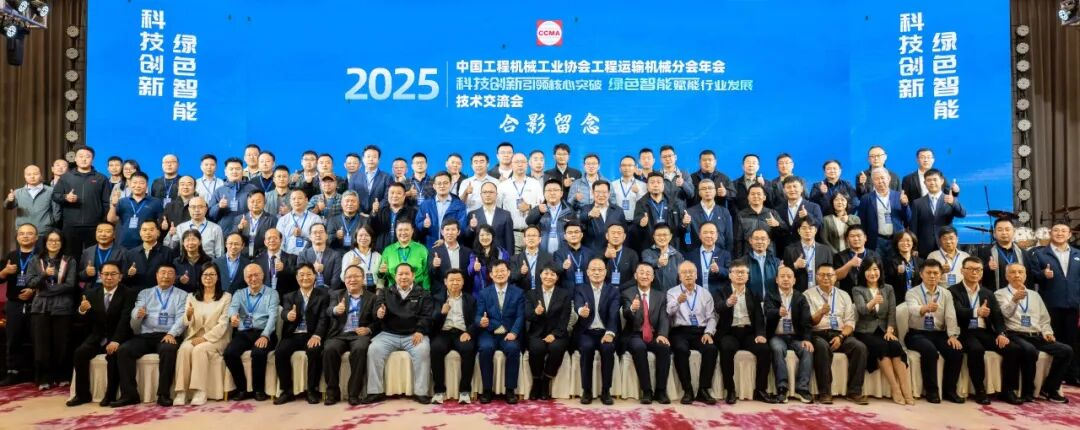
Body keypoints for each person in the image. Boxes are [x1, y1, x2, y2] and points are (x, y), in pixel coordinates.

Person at [994, 263, 1073, 403]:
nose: (1017, 275)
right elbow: (1004, 315)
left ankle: (1050, 388)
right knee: (1029, 350)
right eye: (1013, 272)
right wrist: (1014, 300)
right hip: (1014, 333)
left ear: (1025, 276)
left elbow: (1044, 318)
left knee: (1066, 350)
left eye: (1020, 272)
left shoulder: (1035, 295)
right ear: (1006, 276)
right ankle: (1027, 391)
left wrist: (1047, 332)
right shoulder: (1000, 294)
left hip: (1036, 334)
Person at [113, 264, 187, 407]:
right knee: (124, 350)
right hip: (146, 334)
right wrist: (138, 314)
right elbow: (135, 311)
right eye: (163, 272)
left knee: (168, 350)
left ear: (175, 277)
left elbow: (182, 318)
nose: (166, 276)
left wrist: (171, 333)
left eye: (170, 273)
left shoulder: (182, 295)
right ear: (156, 275)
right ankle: (129, 395)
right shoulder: (145, 293)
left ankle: (163, 394)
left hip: (168, 334)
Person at [363, 263, 434, 405]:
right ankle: (375, 391)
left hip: (414, 334)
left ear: (413, 276)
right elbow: (377, 311)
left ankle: (421, 392)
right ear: (395, 276)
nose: (403, 277)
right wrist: (379, 313)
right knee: (374, 349)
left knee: (423, 350)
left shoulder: (424, 293)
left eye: (407, 273)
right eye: (400, 274)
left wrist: (420, 330)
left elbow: (427, 315)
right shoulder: (385, 292)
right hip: (389, 334)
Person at [68, 262, 135, 407]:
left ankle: (110, 395)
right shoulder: (91, 293)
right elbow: (80, 320)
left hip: (119, 337)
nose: (109, 277)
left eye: (113, 274)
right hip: (98, 336)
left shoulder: (128, 293)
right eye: (106, 274)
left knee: (113, 355)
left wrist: (116, 340)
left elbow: (125, 319)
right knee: (80, 353)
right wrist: (82, 309)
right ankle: (82, 395)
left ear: (120, 276)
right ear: (100, 276)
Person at [948, 256, 1013, 405]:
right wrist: (976, 312)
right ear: (962, 271)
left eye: (978, 269)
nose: (974, 272)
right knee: (976, 349)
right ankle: (980, 390)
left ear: (982, 272)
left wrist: (1001, 333)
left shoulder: (988, 293)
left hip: (984, 331)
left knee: (1012, 348)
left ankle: (1007, 391)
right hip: (964, 332)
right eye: (970, 269)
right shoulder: (952, 291)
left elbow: (997, 316)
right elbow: (957, 311)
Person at [851, 257, 913, 405]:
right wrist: (873, 302)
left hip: (885, 330)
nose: (872, 273)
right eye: (868, 270)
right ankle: (895, 389)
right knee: (882, 347)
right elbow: (861, 310)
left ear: (880, 271)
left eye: (875, 269)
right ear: (863, 272)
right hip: (865, 331)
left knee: (896, 346)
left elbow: (892, 312)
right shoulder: (857, 289)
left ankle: (906, 389)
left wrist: (890, 330)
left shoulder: (888, 288)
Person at [805, 264, 869, 405]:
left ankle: (854, 392)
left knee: (860, 347)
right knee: (821, 347)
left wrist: (841, 337)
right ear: (816, 277)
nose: (826, 278)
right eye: (822, 275)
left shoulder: (844, 295)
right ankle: (825, 392)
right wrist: (820, 313)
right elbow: (808, 322)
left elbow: (850, 322)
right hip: (818, 333)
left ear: (835, 277)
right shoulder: (808, 295)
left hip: (840, 334)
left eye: (829, 275)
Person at [716, 259, 777, 404]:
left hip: (749, 332)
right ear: (730, 275)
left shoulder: (753, 293)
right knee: (726, 349)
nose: (740, 275)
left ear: (748, 276)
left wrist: (760, 334)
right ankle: (730, 390)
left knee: (764, 350)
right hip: (729, 332)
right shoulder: (721, 291)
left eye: (743, 272)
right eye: (737, 272)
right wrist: (727, 303)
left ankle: (760, 390)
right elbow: (717, 308)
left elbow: (759, 317)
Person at [903, 259, 964, 403]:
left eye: (935, 273)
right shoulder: (912, 292)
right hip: (917, 333)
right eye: (928, 273)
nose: (932, 276)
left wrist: (952, 336)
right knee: (929, 350)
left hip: (938, 333)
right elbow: (912, 309)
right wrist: (925, 308)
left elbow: (950, 316)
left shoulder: (946, 294)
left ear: (941, 275)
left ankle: (950, 390)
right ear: (921, 274)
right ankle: (931, 391)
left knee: (956, 350)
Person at [1027, 223, 1080, 385]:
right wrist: (1042, 274)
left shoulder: (1077, 253)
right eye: (1056, 230)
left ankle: (1072, 375)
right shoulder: (1039, 254)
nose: (1060, 233)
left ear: (1069, 235)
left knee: (1073, 340)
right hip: (1050, 304)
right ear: (1050, 233)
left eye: (1064, 231)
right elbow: (1030, 277)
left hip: (1073, 305)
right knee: (1052, 340)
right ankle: (1052, 376)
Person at [173, 263, 232, 406]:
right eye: (205, 274)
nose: (208, 278)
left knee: (199, 349)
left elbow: (223, 324)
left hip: (216, 338)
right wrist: (188, 315)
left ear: (218, 277)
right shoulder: (191, 297)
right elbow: (186, 322)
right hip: (194, 336)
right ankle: (181, 391)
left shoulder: (226, 297)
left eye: (212, 274)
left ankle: (200, 391)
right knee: (184, 349)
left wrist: (205, 338)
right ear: (200, 277)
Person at [26, 230, 78, 389]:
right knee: (41, 345)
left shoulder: (69, 260)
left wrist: (45, 291)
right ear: (45, 242)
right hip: (40, 308)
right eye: (50, 240)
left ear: (62, 243)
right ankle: (44, 379)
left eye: (57, 241)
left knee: (62, 344)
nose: (54, 243)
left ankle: (62, 376)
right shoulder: (35, 260)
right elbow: (30, 282)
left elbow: (70, 285)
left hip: (63, 307)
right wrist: (43, 275)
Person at [273, 264, 330, 405]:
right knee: (280, 352)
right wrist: (288, 315)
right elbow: (284, 312)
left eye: (309, 274)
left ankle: (312, 390)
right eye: (302, 275)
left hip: (312, 334)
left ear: (315, 276)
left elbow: (324, 318)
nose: (305, 278)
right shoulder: (289, 296)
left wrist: (317, 335)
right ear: (297, 278)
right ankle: (286, 391)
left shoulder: (323, 296)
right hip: (293, 334)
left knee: (314, 351)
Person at [223, 263, 281, 402]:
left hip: (264, 331)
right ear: (245, 278)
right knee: (229, 353)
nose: (253, 279)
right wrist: (233, 316)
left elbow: (273, 317)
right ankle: (242, 389)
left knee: (258, 353)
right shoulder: (239, 293)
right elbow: (233, 308)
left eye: (256, 275)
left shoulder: (272, 293)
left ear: (262, 276)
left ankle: (258, 390)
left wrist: (265, 336)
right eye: (249, 276)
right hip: (244, 333)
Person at [322, 265, 377, 406]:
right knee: (329, 349)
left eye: (356, 276)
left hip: (359, 335)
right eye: (349, 277)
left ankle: (354, 393)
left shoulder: (372, 297)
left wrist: (368, 329)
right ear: (344, 280)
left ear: (363, 279)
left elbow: (377, 321)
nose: (352, 280)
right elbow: (328, 310)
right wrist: (335, 309)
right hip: (339, 334)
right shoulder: (336, 294)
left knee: (360, 349)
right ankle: (332, 392)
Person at [666, 260, 718, 405]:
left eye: (691, 272)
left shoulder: (705, 293)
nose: (688, 275)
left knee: (711, 349)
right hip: (680, 331)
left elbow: (712, 317)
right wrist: (678, 301)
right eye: (684, 272)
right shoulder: (672, 292)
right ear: (679, 276)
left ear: (696, 275)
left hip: (700, 331)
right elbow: (668, 312)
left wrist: (708, 333)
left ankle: (703, 390)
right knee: (681, 349)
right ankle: (687, 390)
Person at [475, 260, 525, 404]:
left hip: (508, 333)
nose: (500, 274)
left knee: (513, 349)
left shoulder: (518, 292)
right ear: (491, 275)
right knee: (485, 348)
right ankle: (487, 390)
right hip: (489, 332)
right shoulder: (484, 293)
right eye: (496, 271)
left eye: (503, 271)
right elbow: (478, 315)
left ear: (508, 273)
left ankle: (510, 390)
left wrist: (514, 332)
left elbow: (520, 316)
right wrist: (481, 321)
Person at [622, 262, 671, 404]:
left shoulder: (660, 296)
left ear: (653, 277)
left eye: (648, 273)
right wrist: (632, 309)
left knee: (664, 348)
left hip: (654, 334)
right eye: (641, 273)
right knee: (639, 347)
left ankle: (661, 391)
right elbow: (626, 313)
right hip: (635, 333)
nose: (645, 276)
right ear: (635, 276)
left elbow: (664, 317)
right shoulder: (627, 293)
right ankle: (647, 391)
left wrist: (662, 334)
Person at [573, 258, 621, 405]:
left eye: (600, 270)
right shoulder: (580, 289)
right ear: (587, 272)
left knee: (608, 349)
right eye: (593, 269)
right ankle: (586, 390)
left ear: (605, 272)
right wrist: (581, 311)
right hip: (586, 332)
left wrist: (610, 333)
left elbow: (613, 314)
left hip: (605, 332)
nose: (596, 272)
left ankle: (606, 391)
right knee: (587, 348)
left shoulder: (613, 291)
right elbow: (578, 304)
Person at [765, 266, 814, 404]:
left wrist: (807, 339)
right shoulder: (771, 295)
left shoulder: (800, 297)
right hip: (777, 336)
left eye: (789, 276)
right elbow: (767, 313)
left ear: (794, 280)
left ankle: (802, 389)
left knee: (807, 349)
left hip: (796, 337)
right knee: (777, 349)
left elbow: (806, 321)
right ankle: (782, 388)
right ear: (776, 280)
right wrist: (777, 312)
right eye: (782, 276)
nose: (786, 279)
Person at [52, 145, 110, 257]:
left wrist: (102, 221)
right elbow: (55, 195)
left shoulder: (101, 178)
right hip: (70, 225)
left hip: (94, 225)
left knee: (92, 257)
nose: (84, 159)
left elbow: (106, 202)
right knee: (71, 257)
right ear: (75, 158)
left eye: (87, 157)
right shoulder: (66, 177)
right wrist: (65, 197)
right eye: (81, 156)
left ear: (92, 159)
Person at [430, 269, 478, 404]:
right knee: (436, 348)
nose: (455, 283)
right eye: (452, 280)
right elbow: (431, 322)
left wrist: (469, 332)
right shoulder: (437, 298)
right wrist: (441, 313)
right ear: (445, 282)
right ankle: (439, 391)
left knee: (469, 349)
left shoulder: (470, 299)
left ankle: (465, 391)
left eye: (458, 280)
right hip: (443, 332)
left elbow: (476, 320)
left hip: (462, 332)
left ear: (463, 282)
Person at [525, 265, 571, 401]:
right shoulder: (531, 294)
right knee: (536, 348)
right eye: (546, 273)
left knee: (556, 348)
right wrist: (536, 312)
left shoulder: (564, 294)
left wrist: (554, 334)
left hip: (557, 333)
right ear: (540, 276)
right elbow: (527, 315)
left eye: (552, 274)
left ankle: (546, 380)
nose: (549, 277)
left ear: (557, 278)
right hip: (537, 333)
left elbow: (565, 317)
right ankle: (536, 382)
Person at [0, 224, 38, 386]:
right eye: (22, 233)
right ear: (17, 237)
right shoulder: (11, 256)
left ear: (36, 237)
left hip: (37, 303)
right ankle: (12, 372)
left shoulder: (41, 256)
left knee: (37, 339)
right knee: (13, 339)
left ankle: (38, 372)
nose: (25, 236)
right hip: (14, 304)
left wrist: (33, 290)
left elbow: (50, 280)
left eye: (29, 233)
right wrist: (5, 272)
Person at [856, 167, 910, 257]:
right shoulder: (866, 198)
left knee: (895, 265)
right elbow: (862, 222)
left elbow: (908, 219)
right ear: (872, 181)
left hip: (896, 240)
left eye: (882, 178)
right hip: (876, 241)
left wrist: (905, 205)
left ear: (889, 178)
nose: (880, 181)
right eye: (876, 179)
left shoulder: (899, 196)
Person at [496, 153, 543, 252]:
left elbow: (542, 206)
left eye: (523, 162)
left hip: (532, 233)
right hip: (511, 233)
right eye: (517, 162)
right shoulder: (503, 186)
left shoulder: (535, 184)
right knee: (513, 261)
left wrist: (530, 206)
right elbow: (498, 209)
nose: (520, 164)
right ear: (511, 164)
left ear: (527, 164)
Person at [107, 172, 164, 250]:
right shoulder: (122, 201)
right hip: (123, 244)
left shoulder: (156, 202)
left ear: (147, 185)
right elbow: (111, 220)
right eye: (135, 182)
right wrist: (113, 205)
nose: (137, 186)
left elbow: (160, 223)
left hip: (146, 244)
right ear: (130, 184)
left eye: (141, 183)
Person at [633, 173, 687, 250]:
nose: (655, 185)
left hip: (671, 246)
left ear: (663, 185)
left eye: (659, 182)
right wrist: (641, 224)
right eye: (652, 182)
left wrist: (684, 223)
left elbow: (680, 229)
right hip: (649, 246)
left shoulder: (674, 203)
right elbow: (636, 227)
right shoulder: (641, 203)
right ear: (647, 186)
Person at [415, 172, 468, 248]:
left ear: (450, 184)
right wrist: (424, 224)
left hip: (452, 246)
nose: (442, 186)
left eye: (445, 183)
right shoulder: (425, 204)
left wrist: (445, 240)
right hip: (431, 246)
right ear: (434, 186)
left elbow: (462, 227)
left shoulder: (459, 205)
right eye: (439, 183)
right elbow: (418, 224)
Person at [120, 219, 176, 290]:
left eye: (151, 230)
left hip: (160, 292)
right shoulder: (130, 254)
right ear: (140, 233)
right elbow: (122, 278)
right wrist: (129, 274)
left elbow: (173, 276)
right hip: (136, 293)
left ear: (158, 233)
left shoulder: (168, 252)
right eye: (144, 230)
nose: (147, 233)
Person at [782, 218, 835, 292]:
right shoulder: (789, 250)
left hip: (820, 291)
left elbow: (831, 273)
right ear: (799, 231)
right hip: (798, 291)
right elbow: (784, 274)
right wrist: (795, 265)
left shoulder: (826, 250)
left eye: (810, 228)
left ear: (815, 230)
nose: (807, 231)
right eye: (804, 228)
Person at [208, 157, 259, 235]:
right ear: (225, 172)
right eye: (231, 169)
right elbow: (210, 215)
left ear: (243, 171)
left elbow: (260, 211)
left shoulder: (252, 189)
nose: (234, 171)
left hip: (247, 231)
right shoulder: (219, 191)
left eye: (238, 169)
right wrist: (219, 206)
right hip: (224, 233)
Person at [5, 164, 59, 237]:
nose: (32, 176)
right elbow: (8, 207)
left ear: (41, 175)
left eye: (35, 174)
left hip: (44, 232)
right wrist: (9, 200)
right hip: (23, 232)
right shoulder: (17, 192)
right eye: (29, 174)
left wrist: (51, 225)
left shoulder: (51, 191)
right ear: (25, 176)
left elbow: (56, 212)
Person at [774, 176, 823, 253]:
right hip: (784, 251)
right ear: (784, 190)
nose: (792, 190)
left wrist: (808, 216)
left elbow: (820, 226)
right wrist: (777, 225)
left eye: (795, 186)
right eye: (788, 187)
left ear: (802, 188)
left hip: (808, 250)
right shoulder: (778, 209)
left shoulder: (814, 207)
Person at [525, 179, 575, 255]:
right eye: (549, 190)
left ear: (561, 193)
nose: (552, 193)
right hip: (542, 254)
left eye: (555, 190)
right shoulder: (538, 209)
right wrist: (539, 212)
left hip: (563, 254)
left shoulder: (569, 210)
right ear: (544, 193)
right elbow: (529, 222)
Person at [685, 179, 734, 253]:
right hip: (697, 254)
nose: (707, 191)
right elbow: (687, 236)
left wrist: (728, 255)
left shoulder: (724, 212)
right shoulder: (690, 212)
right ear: (699, 192)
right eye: (703, 189)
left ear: (715, 191)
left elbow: (729, 237)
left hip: (720, 253)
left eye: (710, 188)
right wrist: (690, 252)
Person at [464, 182, 515, 252]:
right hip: (479, 255)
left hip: (499, 255)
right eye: (485, 192)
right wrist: (471, 228)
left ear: (496, 194)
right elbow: (466, 237)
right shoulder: (472, 214)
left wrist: (509, 257)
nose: (488, 195)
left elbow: (509, 240)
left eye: (491, 192)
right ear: (481, 195)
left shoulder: (506, 215)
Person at [577, 180, 627, 253]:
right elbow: (579, 222)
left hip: (613, 252)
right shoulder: (586, 209)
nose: (601, 195)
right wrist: (589, 215)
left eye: (604, 192)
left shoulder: (618, 210)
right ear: (592, 193)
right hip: (592, 253)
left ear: (609, 193)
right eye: (598, 192)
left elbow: (624, 232)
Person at [978, 218, 1027, 290]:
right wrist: (987, 267)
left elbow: (1029, 277)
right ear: (994, 233)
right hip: (994, 294)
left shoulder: (1023, 253)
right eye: (1000, 230)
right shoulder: (985, 252)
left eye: (1007, 229)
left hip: (1018, 293)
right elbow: (976, 274)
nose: (1004, 233)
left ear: (1014, 232)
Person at [379, 220, 430, 290]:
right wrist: (382, 272)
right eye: (400, 230)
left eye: (406, 230)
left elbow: (426, 273)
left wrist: (426, 291)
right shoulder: (388, 251)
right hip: (394, 291)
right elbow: (383, 274)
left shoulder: (421, 249)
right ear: (396, 231)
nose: (403, 233)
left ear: (412, 231)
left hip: (417, 290)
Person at [685, 223, 732, 296]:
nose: (708, 235)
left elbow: (731, 273)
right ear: (699, 235)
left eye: (712, 233)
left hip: (718, 297)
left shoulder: (725, 254)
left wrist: (719, 270)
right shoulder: (691, 255)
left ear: (717, 236)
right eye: (705, 232)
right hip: (696, 295)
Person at [369, 182, 417, 251]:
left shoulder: (412, 212)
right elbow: (370, 229)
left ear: (404, 196)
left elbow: (416, 233)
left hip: (405, 251)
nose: (395, 196)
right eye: (392, 193)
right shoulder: (380, 211)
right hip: (382, 251)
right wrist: (373, 212)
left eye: (398, 193)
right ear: (388, 195)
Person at [276, 190, 325, 256]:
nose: (296, 201)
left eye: (299, 198)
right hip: (288, 256)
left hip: (308, 256)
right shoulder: (283, 220)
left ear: (306, 200)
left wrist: (302, 234)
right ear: (290, 201)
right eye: (294, 199)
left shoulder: (315, 218)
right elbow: (279, 241)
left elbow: (320, 239)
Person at [833, 226, 879, 295]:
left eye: (859, 236)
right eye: (852, 236)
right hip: (848, 294)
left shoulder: (874, 255)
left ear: (865, 238)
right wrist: (850, 264)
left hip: (871, 294)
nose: (856, 239)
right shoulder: (839, 256)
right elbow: (835, 277)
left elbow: (880, 276)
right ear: (847, 239)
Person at [297, 223, 342, 290]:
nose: (318, 235)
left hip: (329, 293)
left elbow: (336, 280)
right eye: (315, 232)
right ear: (310, 237)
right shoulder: (303, 255)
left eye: (321, 232)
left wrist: (328, 293)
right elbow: (301, 279)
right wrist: (312, 269)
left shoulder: (335, 255)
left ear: (326, 236)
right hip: (309, 292)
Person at [348, 145, 393, 213]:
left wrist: (375, 209)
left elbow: (387, 198)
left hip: (380, 214)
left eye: (374, 157)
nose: (371, 159)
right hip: (359, 215)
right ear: (363, 159)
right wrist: (360, 212)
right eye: (368, 156)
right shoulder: (354, 177)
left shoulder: (387, 177)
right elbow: (351, 196)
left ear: (378, 159)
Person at [553, 220, 596, 290]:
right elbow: (556, 273)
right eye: (570, 232)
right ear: (565, 236)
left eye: (576, 232)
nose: (573, 235)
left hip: (587, 291)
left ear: (581, 235)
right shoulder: (558, 254)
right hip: (567, 292)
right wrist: (563, 267)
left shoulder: (590, 253)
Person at [234, 190, 278, 259]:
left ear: (264, 202)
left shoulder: (272, 220)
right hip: (242, 256)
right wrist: (240, 229)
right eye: (252, 201)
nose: (255, 204)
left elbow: (274, 240)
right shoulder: (239, 219)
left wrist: (260, 254)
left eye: (258, 201)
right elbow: (233, 239)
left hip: (263, 257)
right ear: (247, 203)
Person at [641, 224, 685, 292]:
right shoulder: (647, 253)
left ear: (670, 236)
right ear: (653, 236)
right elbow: (646, 264)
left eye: (665, 235)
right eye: (658, 235)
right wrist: (658, 262)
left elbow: (682, 277)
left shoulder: (678, 256)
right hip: (653, 294)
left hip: (673, 294)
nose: (662, 238)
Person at [468, 225, 510, 294]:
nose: (485, 237)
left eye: (488, 234)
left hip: (498, 290)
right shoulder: (474, 253)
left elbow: (507, 271)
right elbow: (470, 272)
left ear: (492, 236)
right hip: (479, 292)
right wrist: (474, 268)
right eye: (482, 235)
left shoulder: (502, 253)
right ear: (478, 237)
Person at [255, 228, 298, 295]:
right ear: (265, 242)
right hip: (264, 297)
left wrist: (284, 269)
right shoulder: (257, 261)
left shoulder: (293, 258)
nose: (272, 240)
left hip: (285, 297)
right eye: (269, 238)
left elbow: (297, 278)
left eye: (275, 238)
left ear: (281, 240)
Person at [508, 226, 553, 291]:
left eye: (534, 235)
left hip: (542, 292)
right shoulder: (514, 259)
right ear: (524, 239)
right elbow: (511, 278)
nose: (531, 238)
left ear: (540, 239)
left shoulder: (548, 257)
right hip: (523, 293)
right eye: (528, 236)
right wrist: (520, 272)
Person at [79, 222, 123, 288]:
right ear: (96, 234)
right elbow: (80, 275)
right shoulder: (87, 252)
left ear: (114, 235)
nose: (103, 234)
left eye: (107, 231)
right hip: (92, 289)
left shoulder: (122, 252)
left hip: (114, 289)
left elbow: (126, 276)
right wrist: (86, 272)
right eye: (100, 231)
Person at [340, 225, 383, 292]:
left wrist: (379, 292)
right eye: (360, 235)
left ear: (371, 238)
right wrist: (351, 265)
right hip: (355, 290)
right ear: (356, 238)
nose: (363, 238)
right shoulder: (348, 255)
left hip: (374, 291)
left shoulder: (378, 256)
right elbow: (343, 278)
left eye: (367, 235)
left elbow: (381, 278)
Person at [885, 230, 924, 305]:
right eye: (901, 241)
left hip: (917, 300)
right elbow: (887, 283)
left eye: (908, 240)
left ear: (913, 243)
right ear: (897, 244)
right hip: (898, 301)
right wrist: (897, 273)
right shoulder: (890, 261)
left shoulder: (920, 262)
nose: (905, 243)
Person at [745, 228, 781, 301]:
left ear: (768, 241)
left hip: (772, 304)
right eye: (756, 239)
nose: (759, 241)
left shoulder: (777, 262)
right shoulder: (743, 262)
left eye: (763, 239)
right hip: (751, 303)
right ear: (750, 241)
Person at [611, 155, 648, 224]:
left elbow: (645, 204)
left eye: (630, 165)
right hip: (618, 222)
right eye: (624, 165)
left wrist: (638, 193)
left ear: (635, 168)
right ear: (620, 168)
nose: (626, 168)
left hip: (637, 222)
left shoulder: (643, 185)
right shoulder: (612, 185)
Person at [603, 223, 640, 291]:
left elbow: (636, 277)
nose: (616, 236)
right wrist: (605, 257)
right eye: (613, 233)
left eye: (619, 233)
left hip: (626, 292)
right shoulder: (600, 254)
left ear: (624, 236)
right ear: (607, 236)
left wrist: (620, 288)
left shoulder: (632, 254)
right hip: (605, 291)